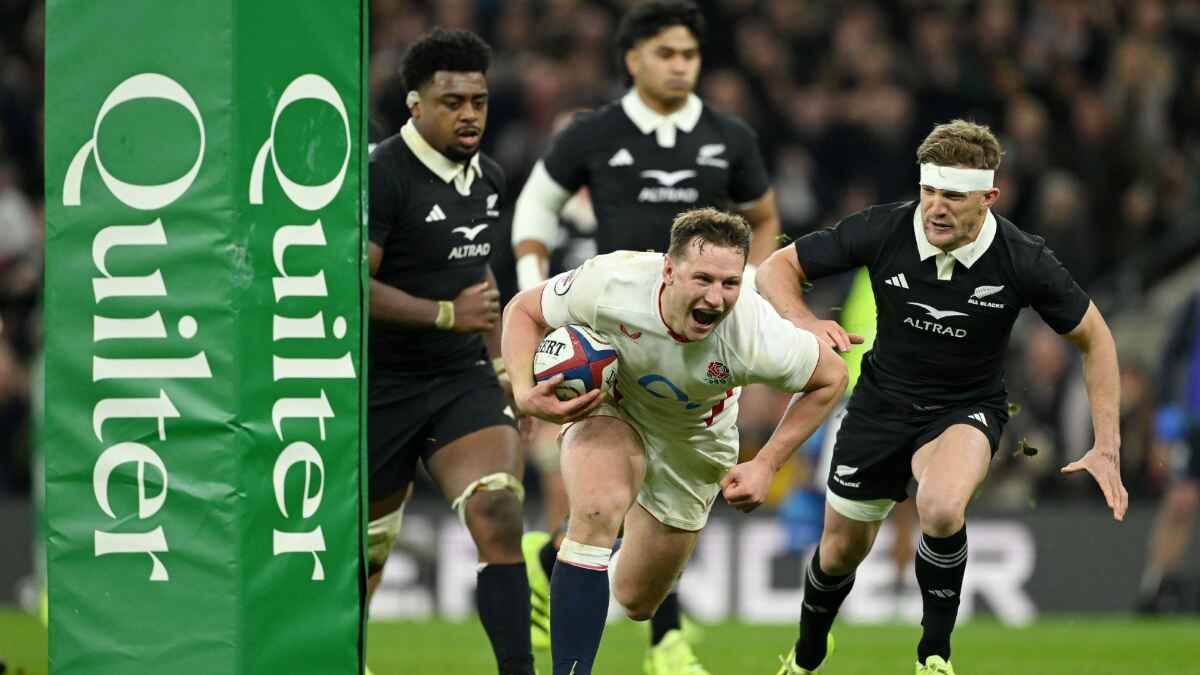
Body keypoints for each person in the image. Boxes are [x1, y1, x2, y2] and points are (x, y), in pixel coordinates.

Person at [756, 119, 1128, 675]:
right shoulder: (884, 229)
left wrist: (1107, 444)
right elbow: (775, 268)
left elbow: (1095, 338)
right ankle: (809, 653)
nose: (935, 207)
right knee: (838, 554)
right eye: (929, 190)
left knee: (941, 506)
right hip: (880, 405)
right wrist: (805, 320)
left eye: (953, 195)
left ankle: (933, 655)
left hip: (965, 408)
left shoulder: (1022, 258)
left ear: (988, 198)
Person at [510, 2, 782, 668]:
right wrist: (540, 304)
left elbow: (765, 220)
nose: (681, 66)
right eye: (667, 53)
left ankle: (559, 563)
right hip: (614, 332)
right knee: (603, 498)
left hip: (700, 332)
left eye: (690, 54)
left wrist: (748, 292)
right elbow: (534, 209)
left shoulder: (730, 136)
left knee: (668, 495)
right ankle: (668, 640)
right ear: (633, 59)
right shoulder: (594, 133)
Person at [502, 207, 848, 675]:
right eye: (702, 278)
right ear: (668, 269)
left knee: (637, 599)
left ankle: (554, 559)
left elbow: (831, 378)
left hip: (696, 441)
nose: (716, 296)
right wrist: (525, 393)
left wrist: (767, 463)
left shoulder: (756, 331)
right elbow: (522, 309)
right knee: (597, 511)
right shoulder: (612, 283)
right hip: (615, 407)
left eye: (729, 283)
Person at [365, 28, 533, 675]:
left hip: (459, 375)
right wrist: (443, 313)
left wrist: (502, 368)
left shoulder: (486, 176)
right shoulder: (383, 175)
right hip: (381, 382)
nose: (469, 115)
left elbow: (479, 278)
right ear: (415, 103)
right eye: (452, 101)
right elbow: (348, 283)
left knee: (499, 505)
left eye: (479, 102)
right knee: (367, 557)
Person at [1137, 289, 1200, 614]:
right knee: (1180, 502)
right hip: (1194, 424)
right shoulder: (1194, 304)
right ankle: (1155, 585)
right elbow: (1170, 359)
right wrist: (1165, 420)